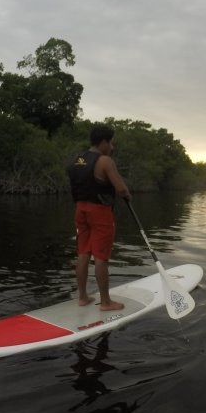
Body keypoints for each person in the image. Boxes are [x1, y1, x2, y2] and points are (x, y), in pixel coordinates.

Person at [67, 125, 131, 311]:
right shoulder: (105, 161)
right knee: (101, 257)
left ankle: (83, 297)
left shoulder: (78, 159)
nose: (112, 146)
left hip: (80, 210)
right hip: (100, 212)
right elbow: (120, 189)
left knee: (83, 252)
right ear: (103, 142)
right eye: (110, 142)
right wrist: (127, 195)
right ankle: (105, 302)